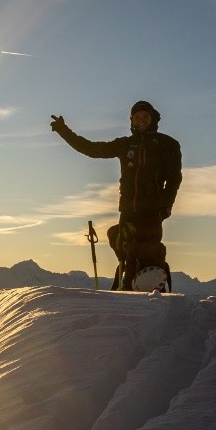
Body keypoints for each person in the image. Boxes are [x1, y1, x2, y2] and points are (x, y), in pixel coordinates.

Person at [50, 101, 182, 290]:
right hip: (128, 211)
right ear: (131, 121)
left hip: (153, 212)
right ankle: (127, 293)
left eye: (145, 116)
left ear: (152, 119)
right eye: (136, 117)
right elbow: (91, 149)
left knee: (150, 255)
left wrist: (165, 207)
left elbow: (174, 179)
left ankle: (154, 300)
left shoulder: (167, 144)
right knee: (128, 253)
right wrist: (64, 131)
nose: (141, 120)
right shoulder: (125, 145)